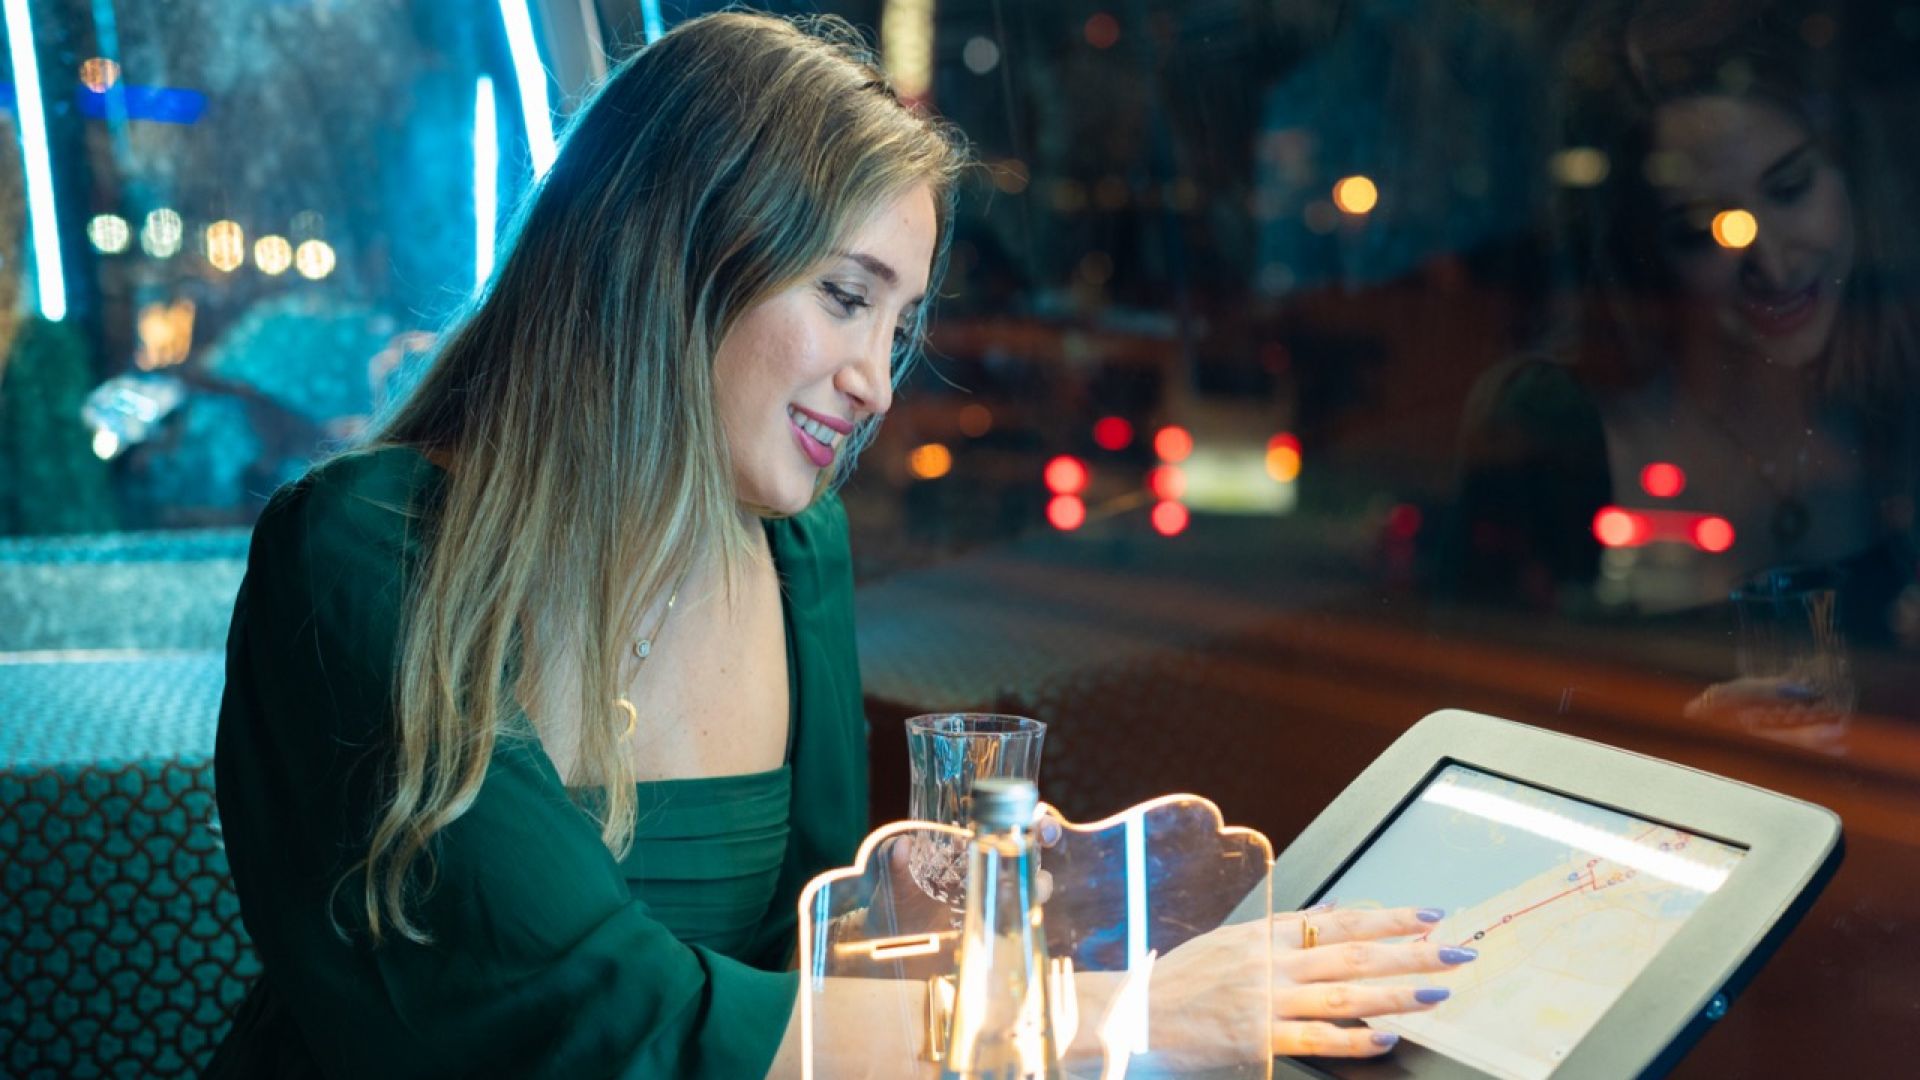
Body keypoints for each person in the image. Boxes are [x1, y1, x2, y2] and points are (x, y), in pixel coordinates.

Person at [210, 12, 1462, 1077]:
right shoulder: (367, 555)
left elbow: (816, 976)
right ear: (674, 256)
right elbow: (600, 1023)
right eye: (846, 297)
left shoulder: (797, 556)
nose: (875, 380)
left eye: (900, 323)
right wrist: (1114, 1018)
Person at [1450, 2, 1920, 659]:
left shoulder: (1890, 414)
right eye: (1701, 230)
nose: (1772, 262)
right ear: (1644, 251)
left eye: (1789, 189)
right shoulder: (1556, 428)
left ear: (1850, 181)